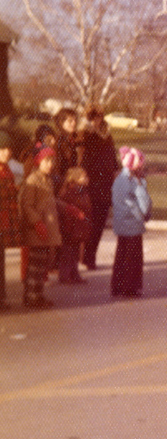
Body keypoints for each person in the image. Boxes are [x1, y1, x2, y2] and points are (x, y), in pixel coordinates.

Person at [18, 146, 61, 308]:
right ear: (38, 162)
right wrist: (36, 222)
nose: (50, 164)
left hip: (45, 231)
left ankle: (38, 294)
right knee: (35, 267)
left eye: (52, 161)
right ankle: (31, 296)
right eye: (47, 161)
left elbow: (52, 202)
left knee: (41, 266)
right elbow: (27, 205)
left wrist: (68, 208)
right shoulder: (32, 181)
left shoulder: (47, 180)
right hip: (36, 231)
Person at [77, 107, 119, 270]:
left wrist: (115, 174)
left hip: (105, 184)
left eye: (99, 117)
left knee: (99, 223)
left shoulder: (107, 135)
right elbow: (80, 153)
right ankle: (84, 257)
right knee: (88, 224)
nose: (96, 120)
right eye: (93, 117)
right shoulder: (85, 134)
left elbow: (112, 159)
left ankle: (90, 257)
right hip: (89, 183)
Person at [110, 147, 151, 298]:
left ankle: (117, 286)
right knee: (133, 258)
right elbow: (145, 205)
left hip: (121, 225)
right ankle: (130, 287)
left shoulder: (118, 180)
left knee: (120, 255)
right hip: (134, 224)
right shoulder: (136, 182)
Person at [56, 167, 91, 284]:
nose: (86, 179)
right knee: (67, 252)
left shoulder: (82, 190)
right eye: (83, 177)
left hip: (78, 227)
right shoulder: (71, 191)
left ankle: (74, 273)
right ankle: (65, 275)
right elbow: (67, 209)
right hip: (70, 227)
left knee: (75, 252)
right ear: (75, 179)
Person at [0, 132, 19, 310]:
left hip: (4, 222)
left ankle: (2, 297)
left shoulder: (6, 169)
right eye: (3, 149)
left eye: (9, 149)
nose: (7, 152)